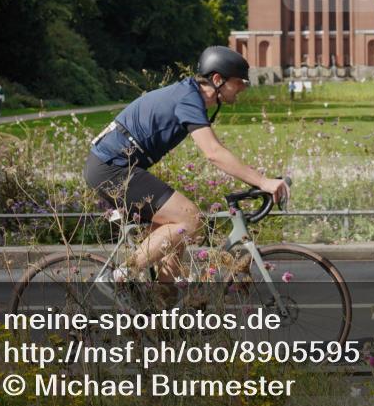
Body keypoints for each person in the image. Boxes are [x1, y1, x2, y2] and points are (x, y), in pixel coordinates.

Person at [83, 46, 289, 288]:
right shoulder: (188, 99)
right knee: (191, 220)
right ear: (217, 80)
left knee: (175, 243)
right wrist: (263, 182)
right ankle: (116, 278)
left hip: (115, 165)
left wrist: (256, 180)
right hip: (112, 167)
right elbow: (214, 153)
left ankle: (163, 317)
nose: (244, 86)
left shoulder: (188, 95)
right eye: (239, 81)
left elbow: (216, 151)